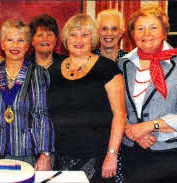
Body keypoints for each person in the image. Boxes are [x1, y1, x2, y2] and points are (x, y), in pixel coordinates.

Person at [118, 7, 177, 183]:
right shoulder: (123, 65)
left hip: (172, 155)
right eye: (140, 28)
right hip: (133, 153)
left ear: (164, 32)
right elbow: (116, 108)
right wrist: (131, 131)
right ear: (132, 34)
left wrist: (149, 126)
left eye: (153, 27)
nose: (147, 33)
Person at [51, 14, 126, 182]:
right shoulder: (53, 71)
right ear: (65, 38)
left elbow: (120, 115)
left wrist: (112, 155)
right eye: (73, 34)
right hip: (60, 156)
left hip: (97, 157)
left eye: (85, 35)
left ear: (93, 38)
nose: (79, 40)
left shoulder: (107, 68)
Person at [0, 19, 54, 171]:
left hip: (28, 153)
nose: (15, 45)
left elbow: (43, 116)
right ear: (2, 44)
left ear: (27, 45)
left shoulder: (39, 74)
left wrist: (46, 154)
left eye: (21, 40)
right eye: (10, 40)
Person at [93, 9, 128, 183]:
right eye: (104, 28)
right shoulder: (87, 63)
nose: (109, 34)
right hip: (92, 141)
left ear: (121, 33)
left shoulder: (131, 63)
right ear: (96, 31)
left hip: (125, 142)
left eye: (114, 29)